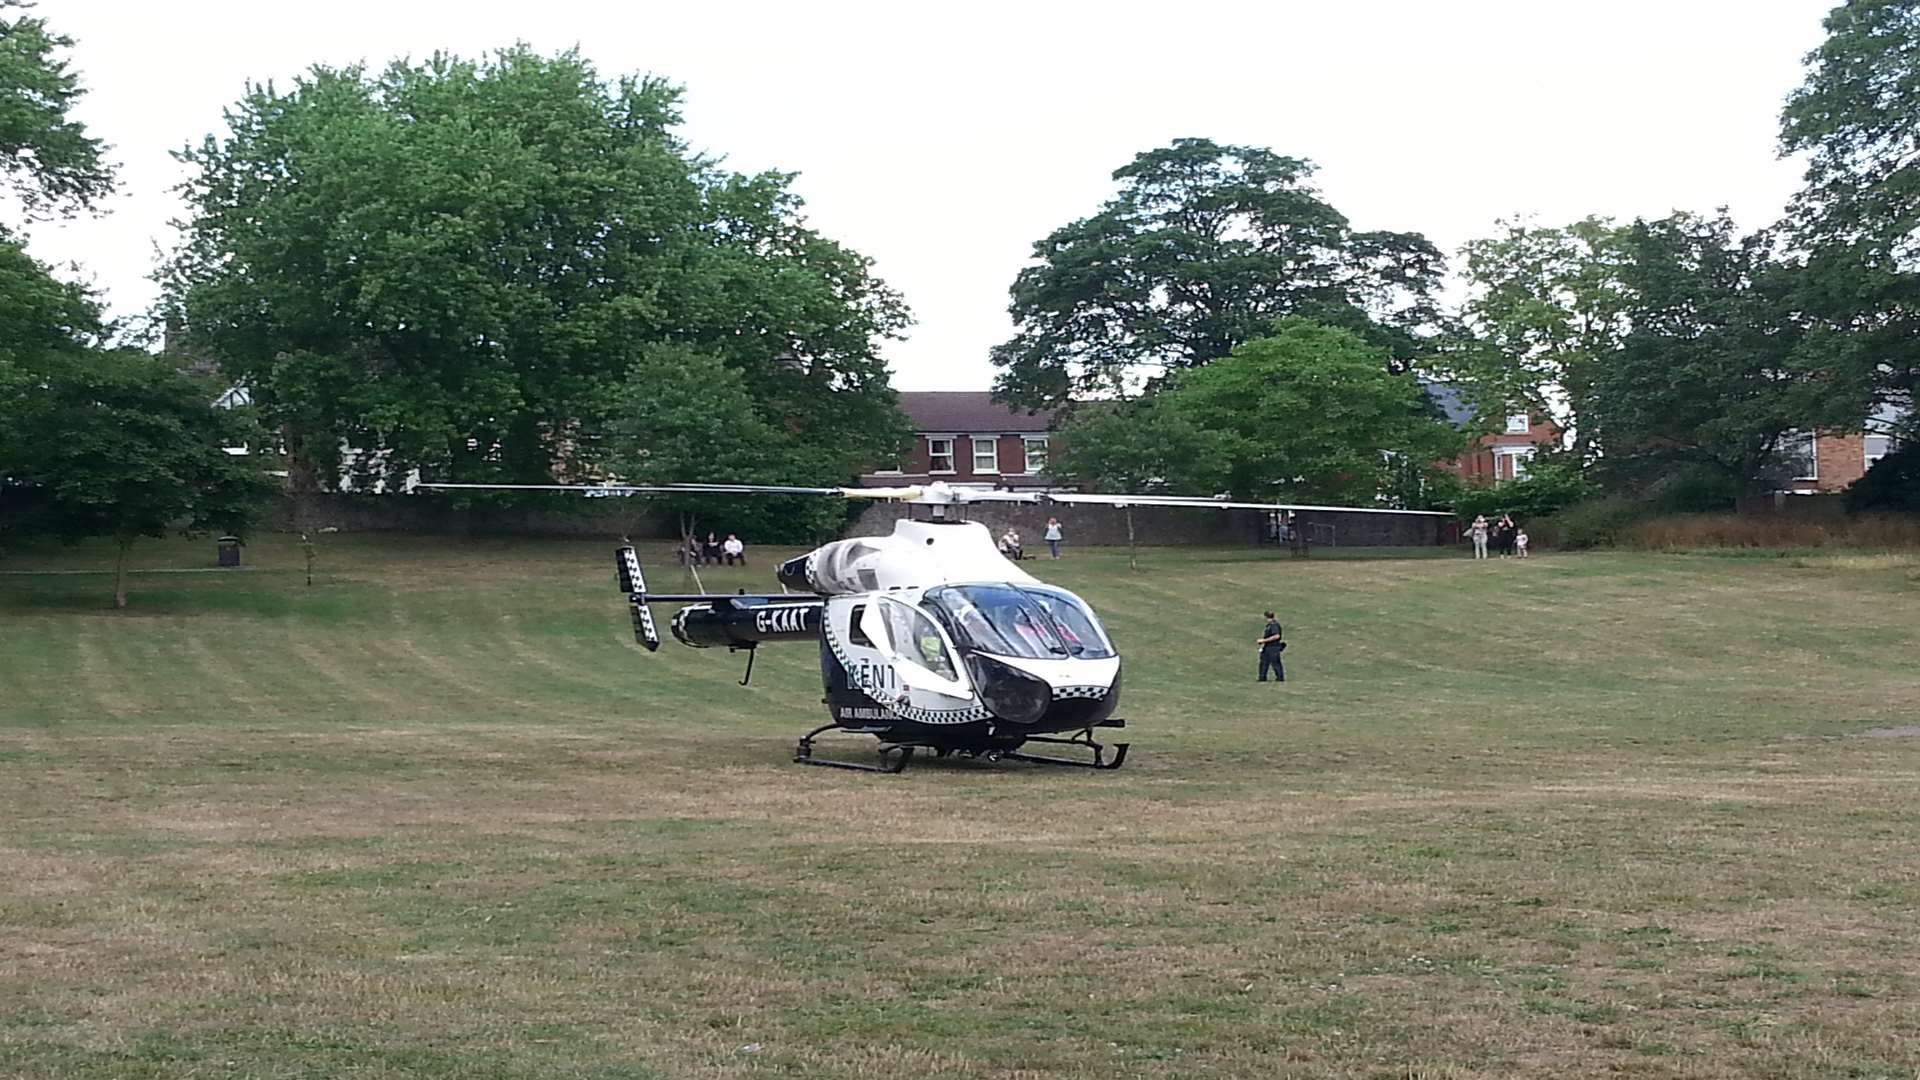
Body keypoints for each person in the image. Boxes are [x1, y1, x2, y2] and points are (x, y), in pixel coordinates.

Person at [1256, 610, 1286, 682]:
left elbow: (1276, 636)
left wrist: (1264, 640)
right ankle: (1262, 678)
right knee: (1263, 663)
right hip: (1267, 647)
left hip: (1273, 647)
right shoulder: (1269, 625)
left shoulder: (1274, 625)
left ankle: (1280, 678)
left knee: (1275, 663)